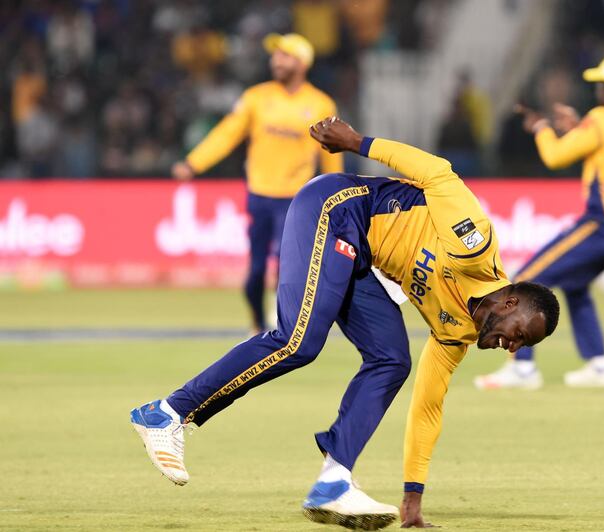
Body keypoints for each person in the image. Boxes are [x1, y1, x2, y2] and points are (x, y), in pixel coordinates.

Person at [131, 117, 560, 530]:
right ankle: (167, 412)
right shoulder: (476, 247)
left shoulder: (457, 332)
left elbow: (428, 406)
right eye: (521, 333)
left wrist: (413, 495)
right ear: (511, 300)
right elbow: (438, 174)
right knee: (298, 340)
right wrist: (358, 143)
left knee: (392, 360)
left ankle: (333, 482)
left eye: (523, 345)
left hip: (358, 255)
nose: (514, 347)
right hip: (337, 207)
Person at [475, 54, 604, 390]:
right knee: (576, 287)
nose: (597, 90)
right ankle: (601, 364)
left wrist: (541, 129)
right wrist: (580, 129)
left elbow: (555, 156)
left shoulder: (603, 118)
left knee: (526, 280)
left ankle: (521, 369)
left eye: (601, 84)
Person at [171, 33, 343, 334]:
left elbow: (331, 156)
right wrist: (193, 162)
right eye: (275, 55)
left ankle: (284, 328)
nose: (276, 60)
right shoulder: (256, 97)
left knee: (287, 268)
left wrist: (339, 198)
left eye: (285, 55)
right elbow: (227, 134)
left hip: (296, 199)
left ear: (302, 63)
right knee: (255, 272)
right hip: (260, 195)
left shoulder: (320, 104)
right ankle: (256, 321)